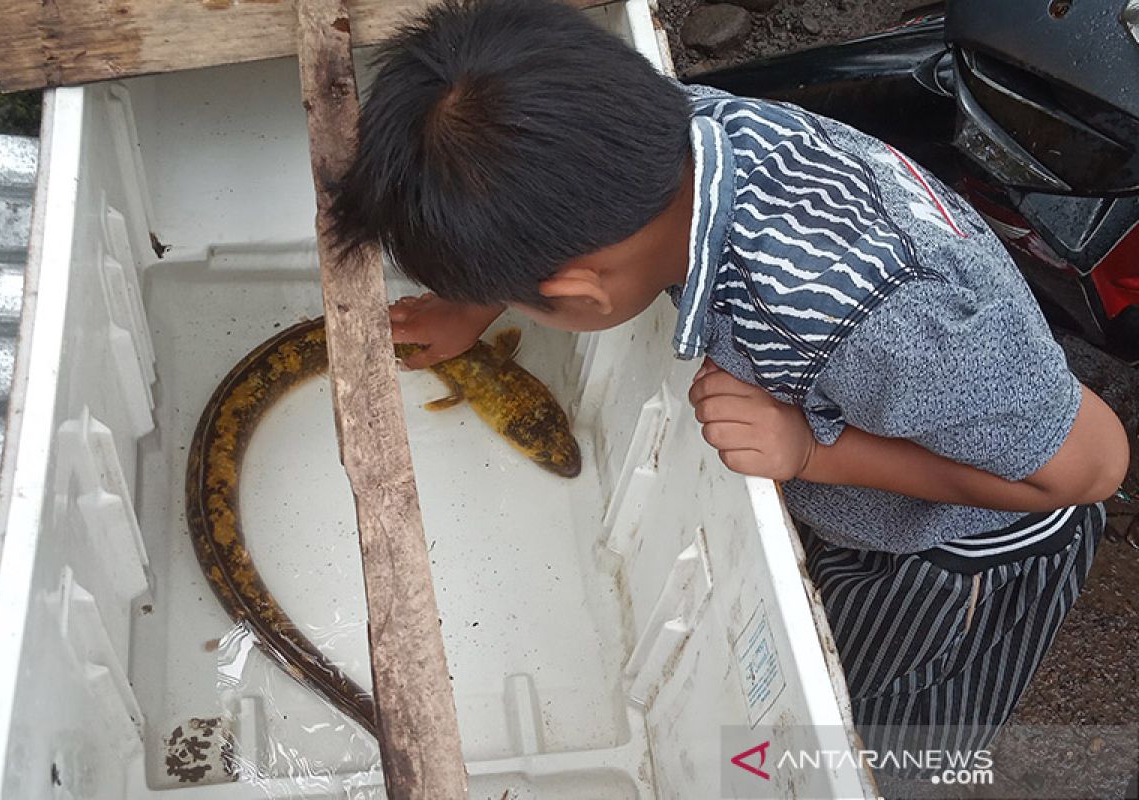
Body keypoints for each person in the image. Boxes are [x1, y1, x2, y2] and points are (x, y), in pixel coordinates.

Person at [330, 0, 1128, 773]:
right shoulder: (672, 126)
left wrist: (811, 452)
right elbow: (540, 203)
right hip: (909, 411)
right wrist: (472, 302)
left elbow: (1090, 468)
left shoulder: (868, 320)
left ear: (581, 294)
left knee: (870, 710)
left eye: (512, 291)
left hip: (966, 538)